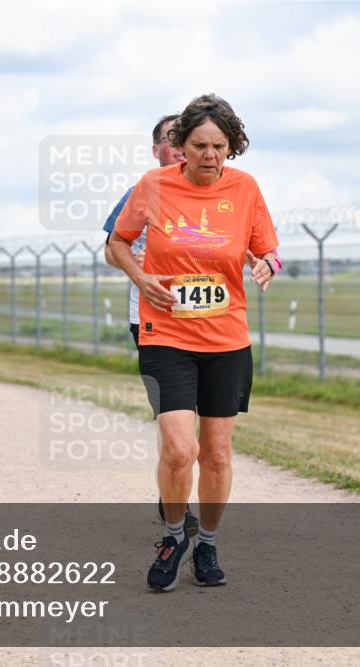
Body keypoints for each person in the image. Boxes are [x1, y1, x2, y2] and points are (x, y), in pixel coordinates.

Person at [109, 94, 280, 590]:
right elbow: (117, 242)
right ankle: (172, 536)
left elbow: (268, 249)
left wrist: (267, 265)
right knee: (180, 449)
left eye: (219, 146)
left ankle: (207, 543)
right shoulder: (153, 185)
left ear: (232, 147)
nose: (210, 155)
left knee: (217, 453)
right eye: (200, 145)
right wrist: (141, 278)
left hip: (227, 340)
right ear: (180, 146)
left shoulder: (245, 188)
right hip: (165, 334)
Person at [102, 114, 201, 536]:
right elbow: (111, 248)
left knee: (196, 423)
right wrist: (139, 271)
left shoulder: (208, 192)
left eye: (186, 139)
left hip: (205, 322)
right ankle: (176, 502)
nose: (180, 148)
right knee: (175, 419)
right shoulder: (140, 191)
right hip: (152, 319)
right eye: (172, 140)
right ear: (156, 148)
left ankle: (172, 491)